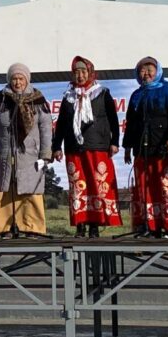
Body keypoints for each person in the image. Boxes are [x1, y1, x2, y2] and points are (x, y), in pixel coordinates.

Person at [52, 56, 122, 238]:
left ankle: (94, 226)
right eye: (76, 72)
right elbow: (61, 124)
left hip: (98, 147)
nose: (80, 75)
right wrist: (56, 146)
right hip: (74, 148)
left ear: (90, 72)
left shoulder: (102, 93)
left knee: (96, 185)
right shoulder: (68, 97)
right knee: (78, 187)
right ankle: (80, 225)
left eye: (83, 71)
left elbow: (113, 119)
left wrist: (115, 142)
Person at [0, 63, 53, 237]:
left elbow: (46, 127)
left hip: (30, 155)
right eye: (14, 78)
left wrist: (45, 154)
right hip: (6, 153)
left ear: (27, 79)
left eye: (21, 78)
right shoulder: (1, 99)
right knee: (6, 190)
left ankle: (32, 227)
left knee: (31, 190)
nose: (17, 82)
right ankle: (5, 227)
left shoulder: (37, 99)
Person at [123, 57, 168, 238]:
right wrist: (127, 147)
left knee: (165, 188)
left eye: (150, 69)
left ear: (158, 71)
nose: (146, 73)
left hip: (163, 150)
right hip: (142, 150)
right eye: (142, 70)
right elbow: (131, 123)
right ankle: (150, 227)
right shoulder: (136, 95)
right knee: (145, 188)